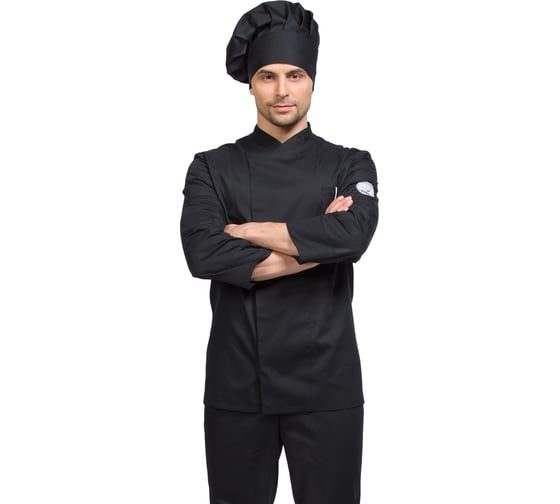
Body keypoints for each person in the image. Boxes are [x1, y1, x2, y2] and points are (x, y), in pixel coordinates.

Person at [180, 2, 379, 503]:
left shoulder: (350, 163)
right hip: (237, 384)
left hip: (327, 386)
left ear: (312, 81)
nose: (282, 90)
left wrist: (248, 232)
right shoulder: (211, 167)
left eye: (295, 75)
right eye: (268, 76)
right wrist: (320, 243)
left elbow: (354, 235)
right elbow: (202, 253)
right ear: (250, 85)